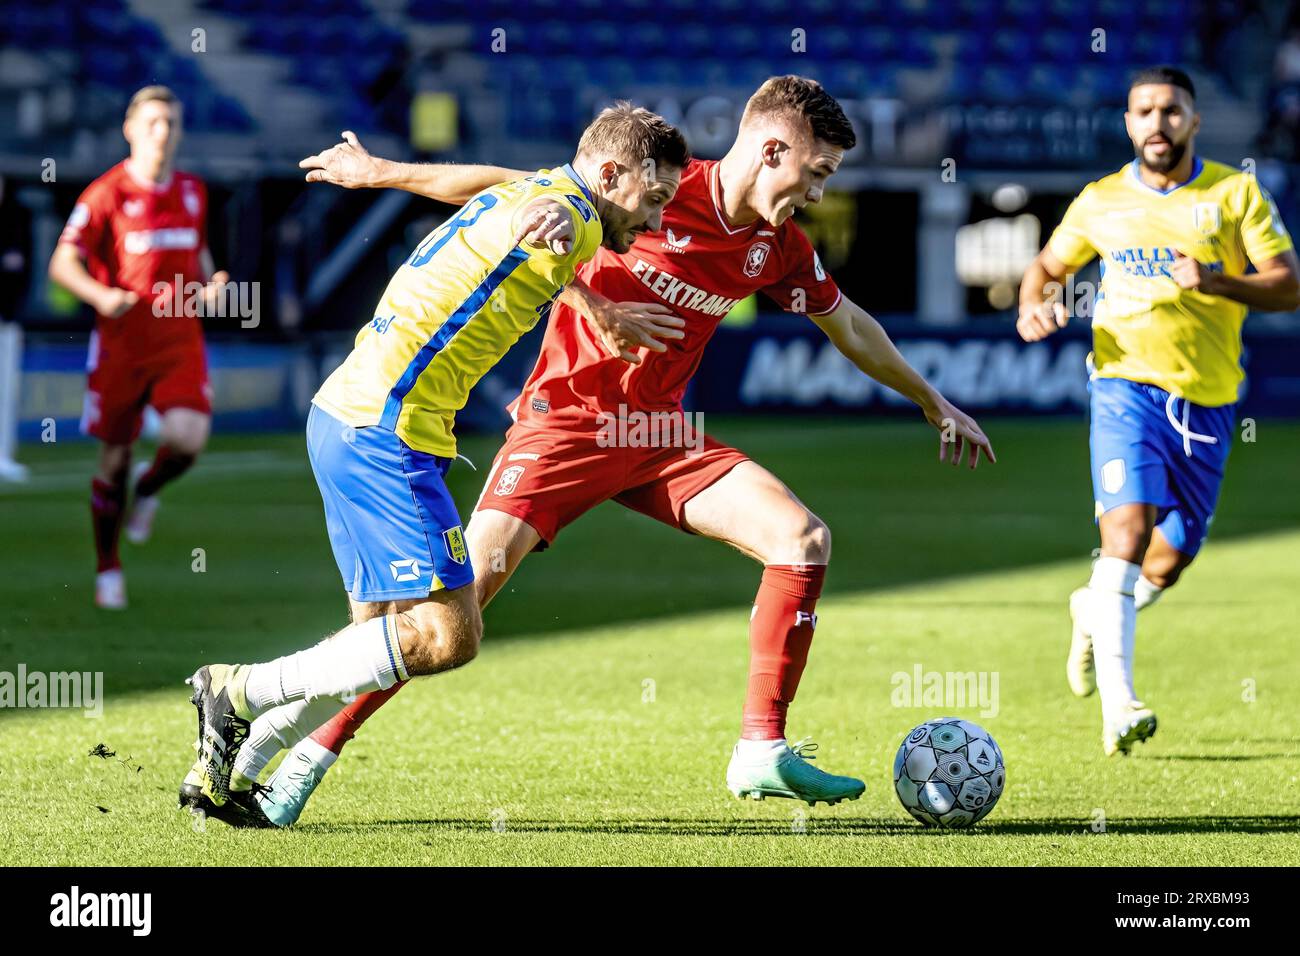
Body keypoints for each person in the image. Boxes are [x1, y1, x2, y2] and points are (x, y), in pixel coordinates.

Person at [230, 76, 994, 827]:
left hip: (659, 438)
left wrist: (933, 401)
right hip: (563, 428)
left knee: (802, 540)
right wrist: (387, 175)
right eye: (816, 172)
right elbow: (511, 192)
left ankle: (760, 748)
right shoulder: (655, 188)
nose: (819, 194)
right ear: (770, 150)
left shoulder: (778, 248)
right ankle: (302, 754)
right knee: (444, 618)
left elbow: (850, 324)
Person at [179, 103, 688, 825]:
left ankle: (228, 767)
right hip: (389, 429)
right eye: (656, 198)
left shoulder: (548, 195)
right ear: (609, 175)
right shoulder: (559, 213)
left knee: (376, 641)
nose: (659, 221)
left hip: (342, 415)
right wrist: (544, 223)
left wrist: (384, 171)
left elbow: (500, 185)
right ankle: (238, 689)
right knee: (451, 635)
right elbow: (542, 213)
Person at [1018, 66, 1300, 755]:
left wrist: (1216, 281)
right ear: (1127, 123)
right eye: (1143, 110)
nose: (1157, 123)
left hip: (1207, 398)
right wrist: (1034, 303)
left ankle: (1093, 609)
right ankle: (1120, 704)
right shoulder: (1100, 201)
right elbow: (1047, 267)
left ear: (1193, 121)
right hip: (1124, 386)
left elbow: (1288, 287)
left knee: (1168, 561)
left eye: (1171, 111)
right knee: (1126, 534)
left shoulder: (1234, 193)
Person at [49, 86, 229, 609]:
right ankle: (108, 567)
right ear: (130, 128)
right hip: (122, 347)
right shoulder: (104, 195)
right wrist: (100, 295)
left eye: (171, 123)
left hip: (178, 339)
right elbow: (63, 264)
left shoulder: (193, 190)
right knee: (114, 458)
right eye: (152, 122)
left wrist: (210, 285)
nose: (162, 132)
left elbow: (196, 257)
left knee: (188, 438)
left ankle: (147, 493)